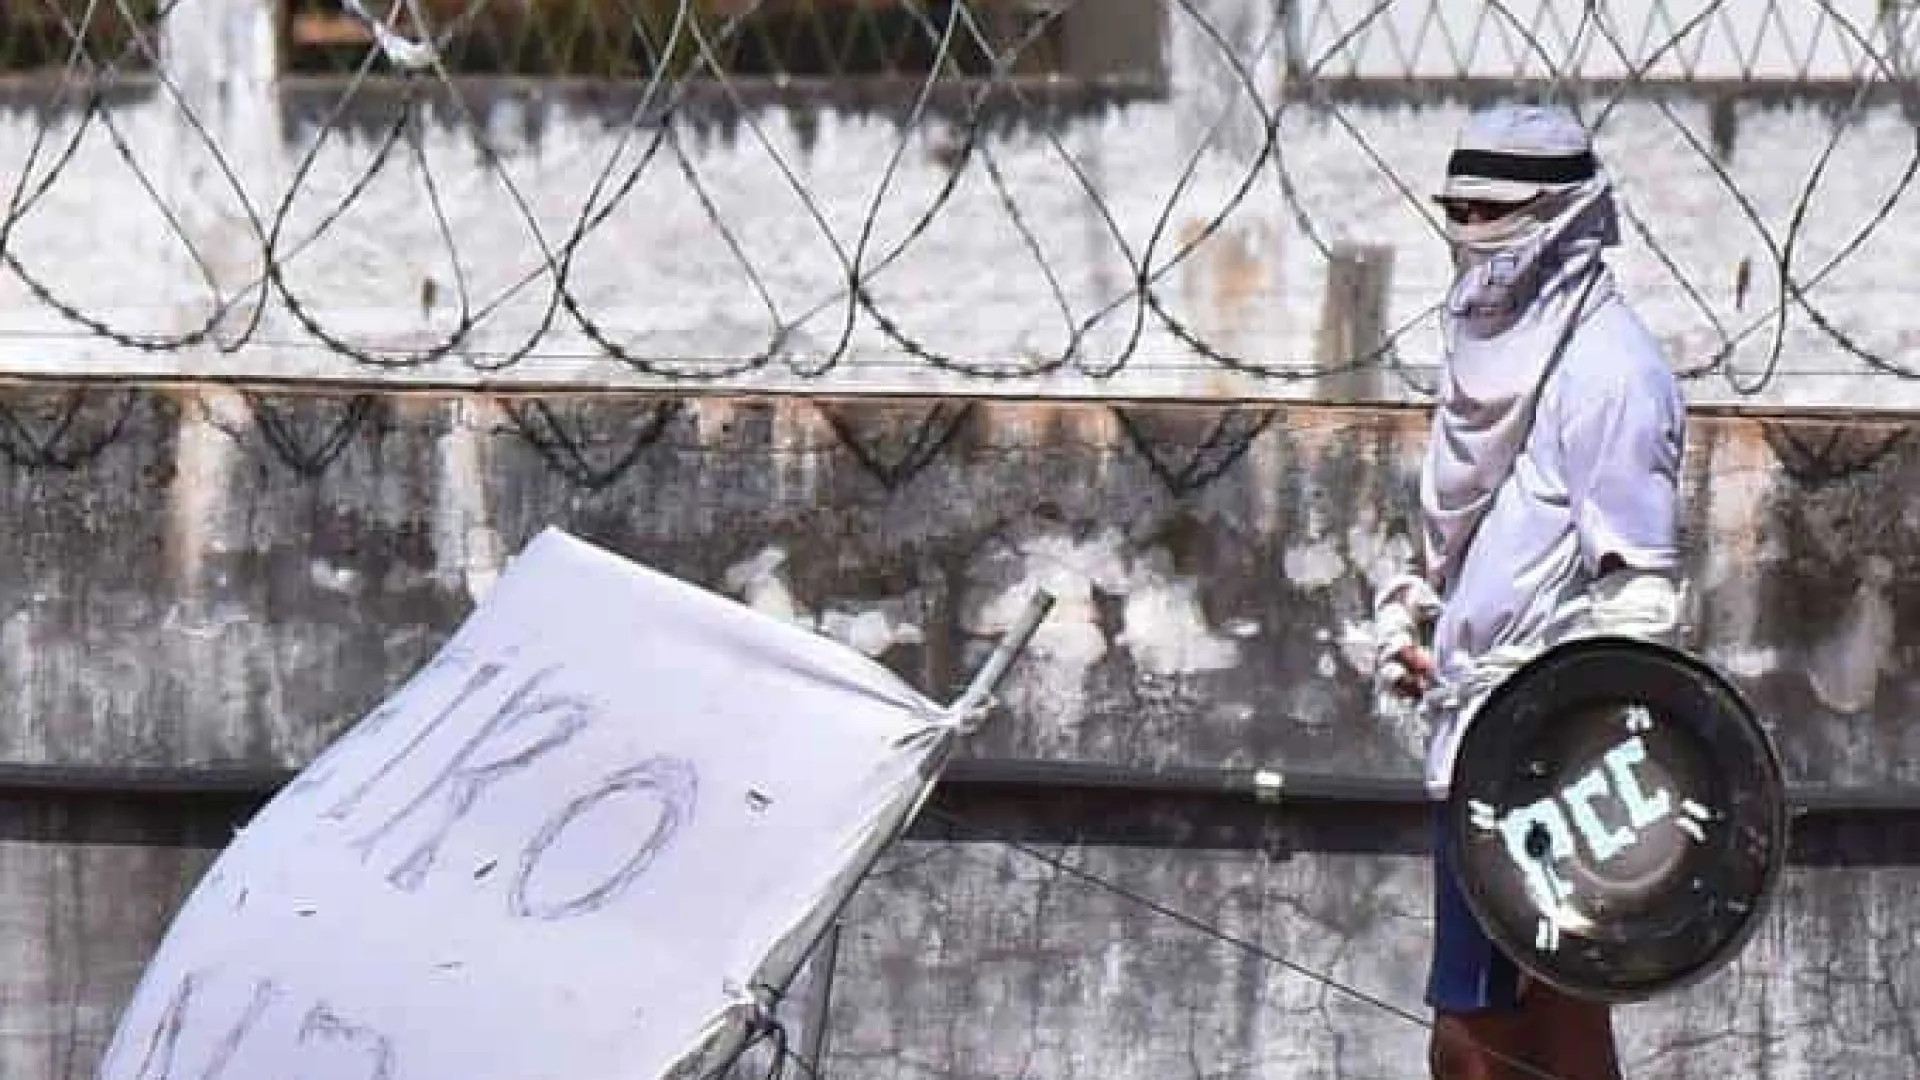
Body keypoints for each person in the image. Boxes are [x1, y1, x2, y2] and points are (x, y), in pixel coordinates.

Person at [1370, 104, 1689, 1080]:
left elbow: (1638, 600)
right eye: (1458, 211)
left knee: (1479, 1046)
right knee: (1545, 1037)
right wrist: (1420, 619)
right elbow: (1470, 540)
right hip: (1472, 738)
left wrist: (1566, 741)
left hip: (1546, 763)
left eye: (1494, 213)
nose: (1473, 234)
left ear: (1561, 217)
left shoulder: (1612, 371)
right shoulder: (1489, 345)